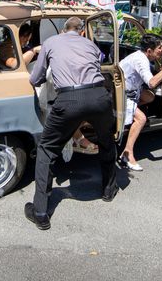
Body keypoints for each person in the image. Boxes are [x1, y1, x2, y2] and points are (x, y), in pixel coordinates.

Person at [25, 17, 118, 230]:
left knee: (47, 149)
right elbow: (98, 64)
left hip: (68, 99)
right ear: (82, 32)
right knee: (106, 140)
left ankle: (40, 211)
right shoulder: (91, 45)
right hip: (99, 96)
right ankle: (108, 189)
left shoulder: (50, 43)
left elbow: (35, 78)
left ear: (64, 30)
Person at [118, 34, 162, 171]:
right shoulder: (141, 60)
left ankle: (127, 112)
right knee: (141, 119)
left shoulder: (142, 56)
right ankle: (127, 154)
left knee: (150, 97)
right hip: (121, 94)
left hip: (130, 90)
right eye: (160, 47)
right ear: (149, 51)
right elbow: (152, 83)